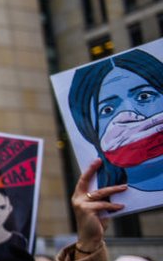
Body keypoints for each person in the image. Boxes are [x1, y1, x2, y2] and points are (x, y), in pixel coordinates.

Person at [67, 48, 163, 191]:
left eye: (144, 96)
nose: (132, 114)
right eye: (107, 110)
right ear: (89, 130)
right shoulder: (106, 206)